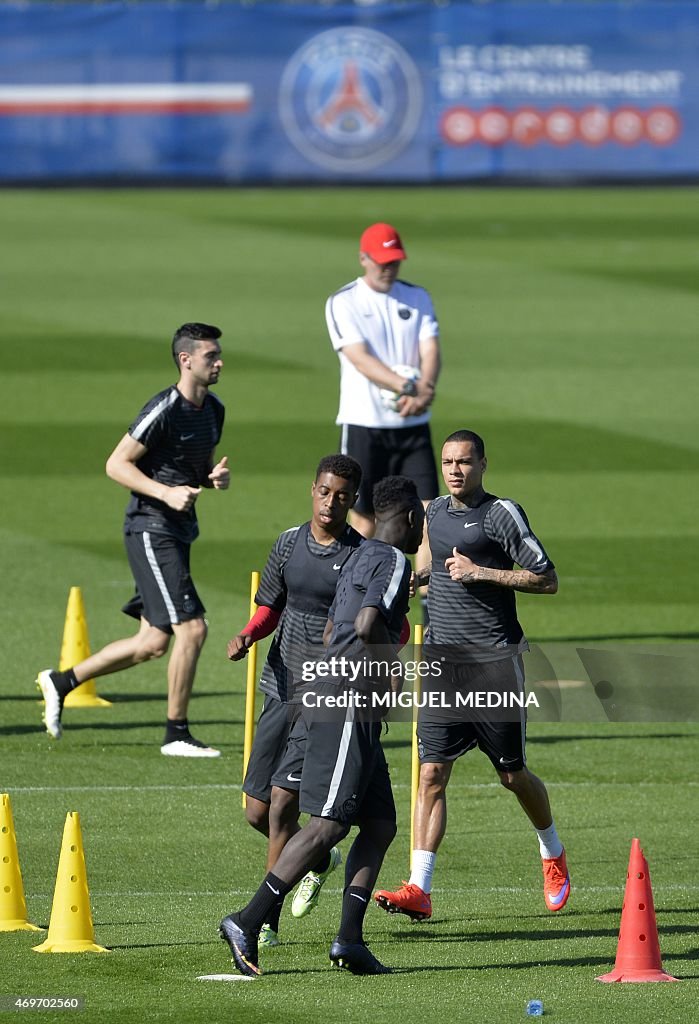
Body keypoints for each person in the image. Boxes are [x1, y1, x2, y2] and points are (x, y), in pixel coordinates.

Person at [219, 476, 425, 977]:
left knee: (379, 824)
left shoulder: (358, 557)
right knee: (329, 824)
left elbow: (335, 626)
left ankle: (349, 939)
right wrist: (391, 672)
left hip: (333, 692)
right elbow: (364, 625)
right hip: (348, 699)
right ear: (413, 519)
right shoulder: (394, 561)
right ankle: (246, 920)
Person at [374, 430, 569, 920]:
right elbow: (436, 572)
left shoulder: (502, 515)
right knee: (432, 773)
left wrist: (484, 573)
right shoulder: (434, 513)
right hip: (441, 663)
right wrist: (401, 583)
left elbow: (547, 578)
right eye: (447, 462)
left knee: (511, 774)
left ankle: (552, 852)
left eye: (464, 462)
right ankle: (420, 888)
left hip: (495, 664)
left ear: (483, 464)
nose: (455, 470)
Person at [37, 322, 229, 758]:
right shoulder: (164, 407)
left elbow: (185, 470)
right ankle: (176, 733)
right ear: (186, 359)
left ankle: (62, 681)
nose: (218, 363)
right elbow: (116, 464)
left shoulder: (214, 410)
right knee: (193, 629)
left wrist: (211, 478)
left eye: (219, 355)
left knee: (152, 643)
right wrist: (164, 493)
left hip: (178, 531)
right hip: (150, 528)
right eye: (209, 356)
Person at [226, 454, 364, 947]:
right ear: (313, 489)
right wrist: (247, 635)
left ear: (353, 499)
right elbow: (270, 607)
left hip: (326, 698)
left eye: (342, 495)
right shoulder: (288, 544)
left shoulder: (360, 557)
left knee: (284, 805)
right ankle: (317, 857)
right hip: (281, 687)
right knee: (256, 812)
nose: (331, 502)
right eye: (325, 492)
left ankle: (265, 921)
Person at [325, 222, 441, 597]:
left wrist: (424, 393)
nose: (388, 267)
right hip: (365, 422)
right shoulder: (344, 301)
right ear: (363, 258)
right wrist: (408, 386)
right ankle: (357, 595)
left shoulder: (417, 296)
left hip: (413, 424)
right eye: (381, 260)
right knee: (361, 516)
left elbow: (430, 350)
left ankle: (428, 603)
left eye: (395, 260)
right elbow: (359, 359)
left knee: (426, 516)